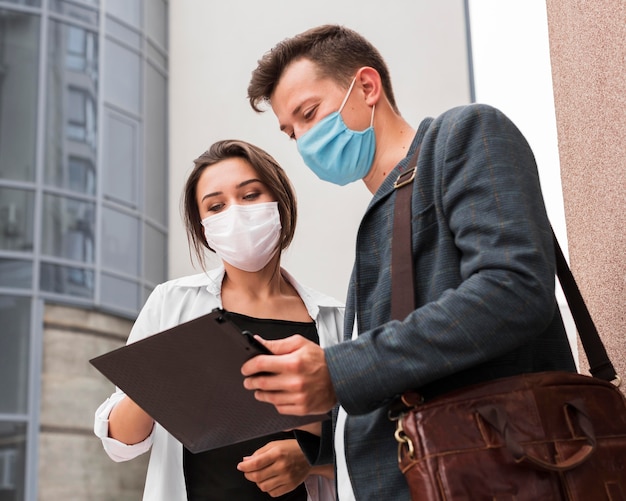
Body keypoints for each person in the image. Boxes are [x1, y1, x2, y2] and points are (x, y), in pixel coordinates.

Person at [240, 24, 577, 500]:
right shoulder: (376, 221)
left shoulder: (464, 134)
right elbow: (402, 385)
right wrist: (315, 455)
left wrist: (338, 371)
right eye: (291, 132)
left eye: (309, 113)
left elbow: (514, 288)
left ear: (367, 87)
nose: (303, 141)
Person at [94, 139, 343, 501]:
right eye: (216, 206)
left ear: (280, 201)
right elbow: (120, 443)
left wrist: (312, 460)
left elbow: (371, 442)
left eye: (250, 195)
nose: (235, 214)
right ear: (204, 227)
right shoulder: (172, 302)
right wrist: (161, 378)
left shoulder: (335, 319)